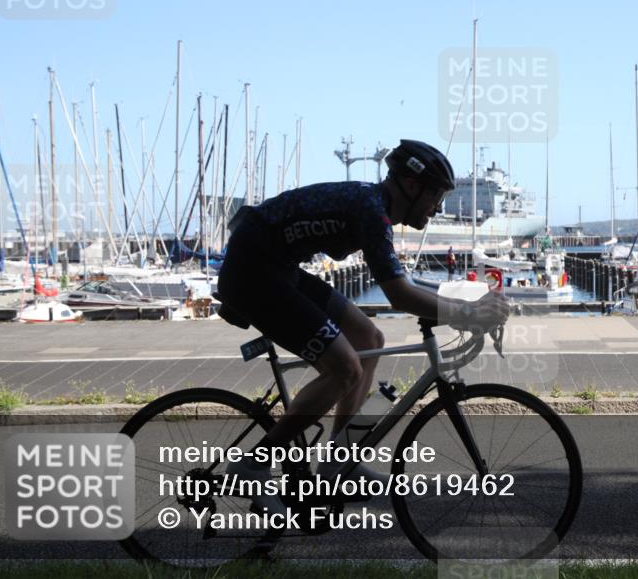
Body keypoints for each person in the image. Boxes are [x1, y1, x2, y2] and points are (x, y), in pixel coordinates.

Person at [217, 140, 509, 515]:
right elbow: (399, 296)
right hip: (253, 273)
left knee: (369, 338)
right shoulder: (371, 211)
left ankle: (340, 461)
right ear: (409, 184)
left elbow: (405, 284)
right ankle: (251, 466)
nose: (438, 207)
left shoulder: (376, 207)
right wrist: (468, 314)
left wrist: (467, 303)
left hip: (277, 267)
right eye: (435, 194)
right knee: (345, 367)